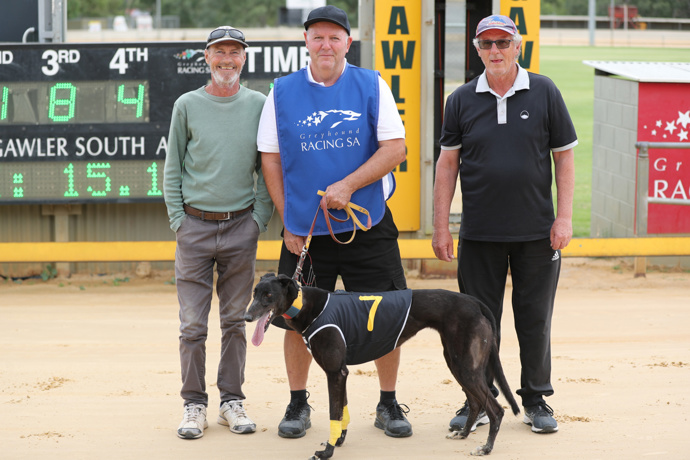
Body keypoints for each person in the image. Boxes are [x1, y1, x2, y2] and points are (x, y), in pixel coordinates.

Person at [256, 5, 412, 440]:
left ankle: (387, 402)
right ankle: (298, 402)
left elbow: (396, 148)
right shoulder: (281, 92)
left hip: (367, 225)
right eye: (317, 37)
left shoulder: (371, 84)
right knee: (292, 318)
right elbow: (270, 158)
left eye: (334, 37)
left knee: (387, 314)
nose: (326, 44)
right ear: (306, 41)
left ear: (347, 42)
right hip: (305, 232)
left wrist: (347, 184)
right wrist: (289, 219)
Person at [432, 15, 576, 435]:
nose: (495, 50)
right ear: (477, 49)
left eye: (503, 42)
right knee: (475, 323)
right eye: (486, 43)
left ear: (517, 46)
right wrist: (441, 226)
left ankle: (535, 399)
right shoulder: (460, 99)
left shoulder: (545, 90)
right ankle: (478, 398)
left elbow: (564, 156)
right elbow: (447, 165)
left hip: (537, 232)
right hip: (478, 233)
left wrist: (563, 217)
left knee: (534, 319)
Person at [163, 26, 274, 440]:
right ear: (206, 58)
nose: (227, 59)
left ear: (244, 59)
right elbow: (173, 166)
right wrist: (179, 220)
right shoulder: (186, 105)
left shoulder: (260, 105)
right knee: (192, 326)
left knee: (234, 321)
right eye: (219, 52)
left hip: (240, 227)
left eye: (235, 53)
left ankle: (232, 401)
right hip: (193, 228)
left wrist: (258, 220)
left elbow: (267, 167)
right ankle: (194, 405)